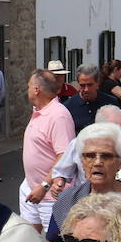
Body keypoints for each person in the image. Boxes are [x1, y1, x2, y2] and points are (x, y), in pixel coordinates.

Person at [20, 68, 77, 231]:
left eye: (29, 86)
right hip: (31, 188)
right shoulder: (39, 111)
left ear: (37, 90)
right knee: (30, 238)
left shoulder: (58, 116)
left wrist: (44, 185)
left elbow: (64, 156)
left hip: (50, 194)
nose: (27, 89)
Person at [65, 64, 121, 133]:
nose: (86, 89)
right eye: (82, 85)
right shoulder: (68, 107)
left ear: (98, 82)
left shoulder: (111, 102)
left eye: (90, 85)